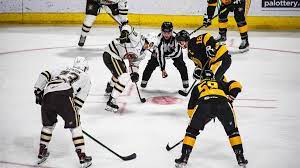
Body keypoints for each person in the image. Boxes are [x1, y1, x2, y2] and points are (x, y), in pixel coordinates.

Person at [174, 70, 248, 168]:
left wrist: (200, 122)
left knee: (191, 132)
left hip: (204, 104)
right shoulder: (218, 83)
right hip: (223, 104)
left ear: (201, 78)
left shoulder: (197, 87)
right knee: (233, 132)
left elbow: (190, 111)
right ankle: (240, 158)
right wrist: (231, 97)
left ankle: (184, 158)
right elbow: (236, 85)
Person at [34, 57, 92, 168]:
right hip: (65, 93)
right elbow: (78, 103)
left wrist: (37, 89)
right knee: (76, 127)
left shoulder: (63, 69)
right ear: (85, 67)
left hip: (47, 93)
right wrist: (72, 118)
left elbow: (45, 74)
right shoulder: (86, 78)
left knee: (48, 125)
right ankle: (82, 157)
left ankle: (42, 152)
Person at [102, 24, 151, 112]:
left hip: (117, 57)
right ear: (147, 40)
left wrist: (135, 73)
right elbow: (127, 26)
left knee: (119, 73)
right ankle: (111, 101)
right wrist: (124, 33)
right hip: (111, 53)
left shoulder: (143, 53)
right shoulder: (137, 38)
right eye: (150, 44)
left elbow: (134, 64)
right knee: (123, 76)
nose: (149, 47)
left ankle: (110, 87)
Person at [140, 21, 189, 91]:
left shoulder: (177, 38)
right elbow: (160, 55)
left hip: (174, 54)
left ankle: (185, 82)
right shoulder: (158, 39)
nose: (166, 34)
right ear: (161, 31)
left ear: (172, 31)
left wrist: (165, 55)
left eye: (168, 32)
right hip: (160, 53)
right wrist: (163, 69)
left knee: (181, 65)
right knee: (151, 64)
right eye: (164, 32)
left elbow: (176, 53)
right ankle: (144, 81)